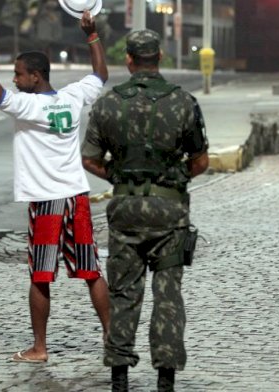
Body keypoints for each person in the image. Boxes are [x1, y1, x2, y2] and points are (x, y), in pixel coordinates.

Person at [0, 11, 110, 363]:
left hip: (47, 202)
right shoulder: (73, 96)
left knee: (40, 274)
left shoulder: (28, 106)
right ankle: (113, 337)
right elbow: (99, 75)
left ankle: (39, 347)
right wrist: (91, 35)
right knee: (91, 270)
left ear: (36, 77)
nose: (15, 79)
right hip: (76, 196)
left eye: (19, 74)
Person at [81, 29, 209, 392]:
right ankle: (165, 378)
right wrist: (173, 178)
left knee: (124, 294)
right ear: (160, 58)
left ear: (130, 60)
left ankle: (119, 376)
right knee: (168, 297)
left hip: (125, 213)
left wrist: (120, 177)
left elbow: (90, 160)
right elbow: (200, 161)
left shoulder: (108, 104)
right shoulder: (183, 102)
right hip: (169, 213)